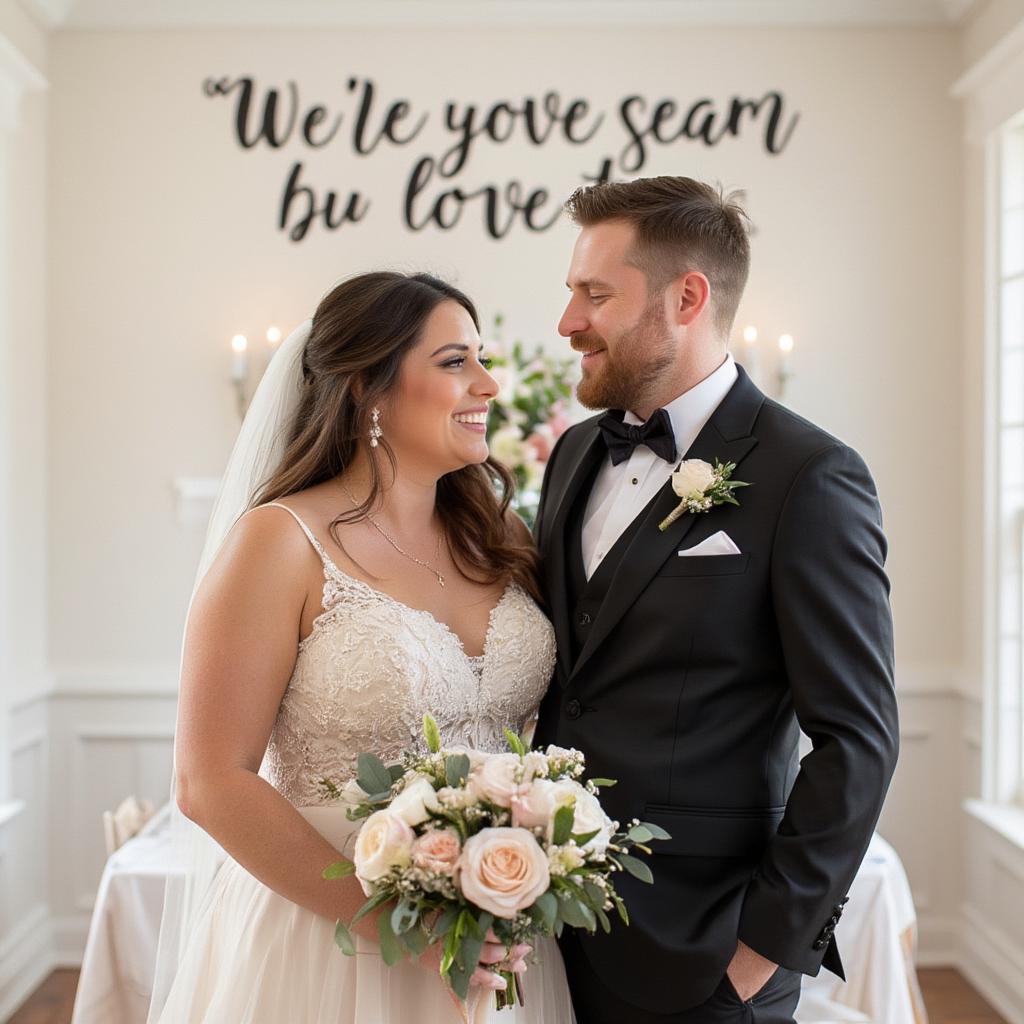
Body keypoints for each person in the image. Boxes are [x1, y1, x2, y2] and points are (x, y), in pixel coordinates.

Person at [148, 271, 576, 1023]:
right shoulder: (280, 542)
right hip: (326, 941)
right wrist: (404, 929)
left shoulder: (499, 538)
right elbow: (208, 781)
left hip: (499, 944)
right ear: (367, 389)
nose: (488, 383)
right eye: (455, 362)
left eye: (483, 358)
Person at [533, 176, 900, 1024]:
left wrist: (763, 950)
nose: (567, 322)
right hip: (545, 934)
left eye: (595, 294)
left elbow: (859, 738)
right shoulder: (574, 452)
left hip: (704, 954)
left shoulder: (809, 475)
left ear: (687, 296)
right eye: (571, 293)